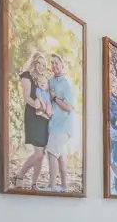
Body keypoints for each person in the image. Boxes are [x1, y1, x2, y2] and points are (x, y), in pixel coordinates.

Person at [14, 52, 49, 189]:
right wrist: (37, 104)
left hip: (44, 118)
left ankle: (34, 183)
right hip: (33, 116)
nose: (41, 66)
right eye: (38, 63)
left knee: (41, 153)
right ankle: (20, 176)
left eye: (43, 64)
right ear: (34, 63)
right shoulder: (26, 75)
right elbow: (27, 97)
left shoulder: (44, 79)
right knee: (38, 153)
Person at [46, 54, 75, 192]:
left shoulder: (67, 83)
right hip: (53, 125)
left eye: (56, 63)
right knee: (61, 157)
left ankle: (51, 187)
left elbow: (69, 107)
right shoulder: (50, 80)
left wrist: (55, 98)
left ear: (62, 65)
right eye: (52, 63)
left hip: (63, 126)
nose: (54, 65)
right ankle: (64, 187)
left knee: (52, 154)